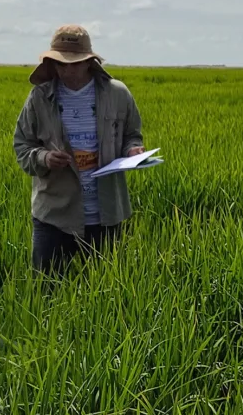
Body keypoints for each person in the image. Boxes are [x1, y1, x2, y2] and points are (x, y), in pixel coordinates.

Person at [13, 24, 145, 276]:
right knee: (45, 287)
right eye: (61, 64)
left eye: (74, 63)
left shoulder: (117, 94)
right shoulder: (40, 97)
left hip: (106, 214)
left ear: (89, 62)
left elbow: (131, 135)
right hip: (54, 214)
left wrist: (132, 151)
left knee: (107, 291)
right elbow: (22, 145)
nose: (67, 70)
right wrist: (44, 157)